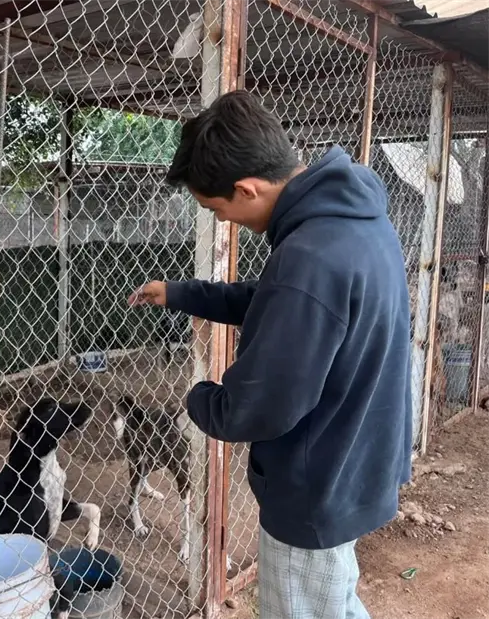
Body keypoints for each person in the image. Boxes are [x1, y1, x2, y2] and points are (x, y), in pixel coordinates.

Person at [128, 91, 411, 618]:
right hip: (355, 458)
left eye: (218, 210)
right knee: (334, 603)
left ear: (246, 189)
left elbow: (260, 406)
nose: (226, 221)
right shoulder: (353, 221)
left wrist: (197, 398)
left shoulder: (308, 257)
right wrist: (185, 293)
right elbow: (283, 306)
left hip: (314, 488)